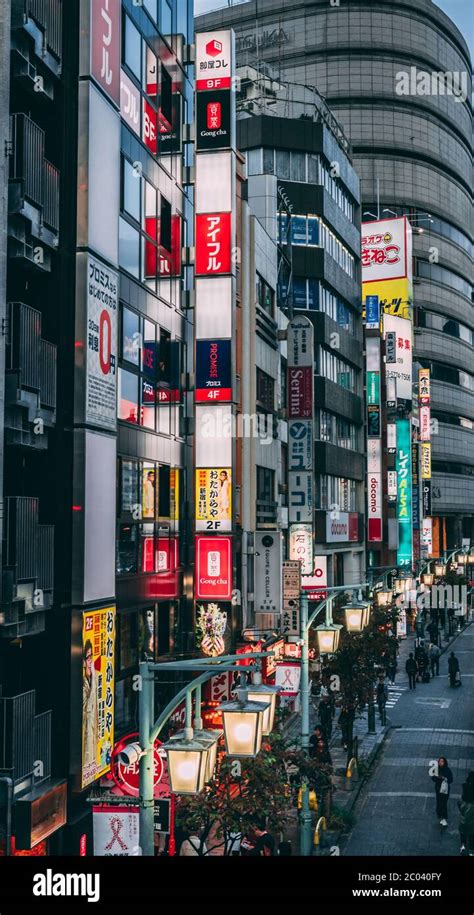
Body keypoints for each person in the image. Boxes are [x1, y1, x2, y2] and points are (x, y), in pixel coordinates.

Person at [82, 639, 98, 775]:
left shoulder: (90, 677)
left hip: (92, 727)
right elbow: (88, 705)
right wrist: (94, 679)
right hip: (84, 726)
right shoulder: (82, 681)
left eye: (92, 656)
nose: (91, 661)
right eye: (88, 657)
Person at [431, 757, 453, 826]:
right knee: (439, 801)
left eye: (442, 761)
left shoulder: (448, 770)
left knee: (444, 802)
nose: (440, 763)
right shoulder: (436, 769)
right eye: (440, 761)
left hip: (445, 788)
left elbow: (451, 780)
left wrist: (444, 778)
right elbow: (433, 778)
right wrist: (438, 778)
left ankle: (442, 816)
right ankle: (441, 814)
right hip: (438, 788)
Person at [458, 772, 474, 855]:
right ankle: (471, 850)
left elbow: (459, 806)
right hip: (472, 823)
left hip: (463, 821)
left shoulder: (462, 800)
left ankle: (463, 846)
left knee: (463, 833)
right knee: (472, 836)